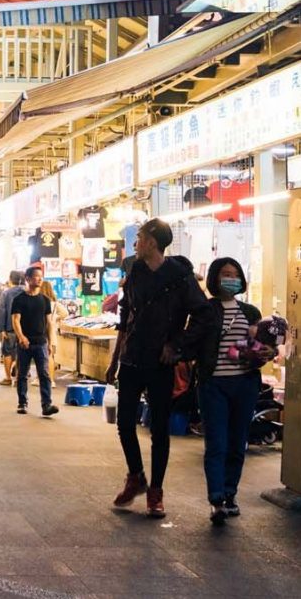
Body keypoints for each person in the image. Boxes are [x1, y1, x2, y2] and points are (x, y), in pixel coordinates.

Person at [105, 218, 214, 518]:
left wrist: (177, 346)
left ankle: (156, 491)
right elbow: (127, 316)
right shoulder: (134, 270)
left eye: (139, 237)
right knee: (124, 423)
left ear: (152, 242)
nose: (135, 243)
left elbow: (203, 314)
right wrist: (115, 359)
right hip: (131, 358)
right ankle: (136, 476)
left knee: (160, 429)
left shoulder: (180, 277)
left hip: (161, 362)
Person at [199, 258, 264, 525]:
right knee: (216, 444)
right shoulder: (206, 310)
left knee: (237, 444)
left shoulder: (251, 312)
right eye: (226, 274)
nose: (231, 278)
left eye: (235, 274)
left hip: (245, 385)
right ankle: (216, 500)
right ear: (215, 278)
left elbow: (258, 348)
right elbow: (196, 341)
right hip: (213, 384)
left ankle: (229, 494)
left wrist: (262, 353)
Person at [11, 267, 59, 417]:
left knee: (44, 374)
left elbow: (49, 322)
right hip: (25, 343)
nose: (39, 279)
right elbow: (15, 320)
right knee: (23, 374)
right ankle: (22, 403)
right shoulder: (19, 299)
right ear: (28, 278)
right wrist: (21, 337)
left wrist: (51, 342)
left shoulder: (45, 300)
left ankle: (47, 405)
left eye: (41, 277)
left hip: (41, 342)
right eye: (36, 276)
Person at [0, 271, 23, 386]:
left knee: (7, 352)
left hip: (9, 327)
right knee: (20, 353)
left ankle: (8, 378)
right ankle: (18, 378)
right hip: (23, 329)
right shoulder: (25, 292)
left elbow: (2, 311)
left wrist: (2, 329)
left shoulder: (6, 293)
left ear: (10, 279)